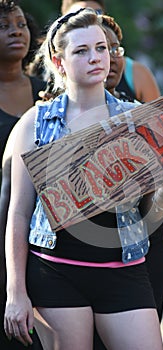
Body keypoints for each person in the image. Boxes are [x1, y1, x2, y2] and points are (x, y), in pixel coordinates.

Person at [4, 8, 163, 349]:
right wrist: (15, 292)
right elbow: (18, 212)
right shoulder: (34, 125)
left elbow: (152, 213)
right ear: (59, 63)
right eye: (81, 51)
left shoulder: (137, 120)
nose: (96, 58)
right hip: (55, 272)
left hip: (124, 269)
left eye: (101, 48)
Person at [0, 1, 46, 348]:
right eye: (3, 26)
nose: (16, 30)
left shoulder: (46, 92)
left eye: (19, 24)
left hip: (37, 222)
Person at [60, 0, 161, 103]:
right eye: (82, 51)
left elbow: (159, 115)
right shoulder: (51, 111)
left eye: (97, 13)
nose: (97, 58)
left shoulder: (131, 103)